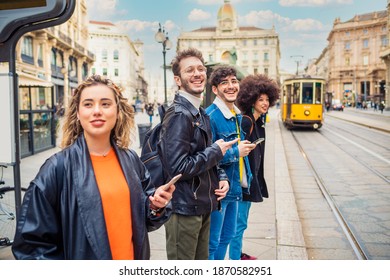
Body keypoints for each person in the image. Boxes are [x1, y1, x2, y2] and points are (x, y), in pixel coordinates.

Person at [12, 75, 176, 260]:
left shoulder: (130, 159)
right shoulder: (56, 168)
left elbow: (144, 218)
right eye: (88, 104)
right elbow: (31, 247)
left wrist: (155, 205)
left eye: (105, 104)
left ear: (118, 110)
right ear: (78, 112)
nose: (97, 111)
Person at [158, 48, 237, 260]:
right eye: (189, 70)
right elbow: (177, 168)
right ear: (178, 79)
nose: (197, 73)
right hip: (183, 209)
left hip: (201, 205)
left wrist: (221, 178)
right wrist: (215, 152)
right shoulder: (178, 114)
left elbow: (207, 153)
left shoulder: (199, 112)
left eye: (201, 69)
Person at [206, 66, 255, 260]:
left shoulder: (237, 114)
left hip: (235, 188)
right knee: (213, 242)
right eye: (224, 83)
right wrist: (236, 152)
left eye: (234, 81)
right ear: (215, 89)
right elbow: (207, 156)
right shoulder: (211, 116)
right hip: (219, 191)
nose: (231, 86)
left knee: (227, 237)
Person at [233, 74, 279, 260]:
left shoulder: (259, 121)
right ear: (250, 99)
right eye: (261, 99)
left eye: (267, 99)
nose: (265, 103)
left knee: (241, 222)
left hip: (251, 179)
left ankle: (238, 253)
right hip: (243, 181)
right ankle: (235, 259)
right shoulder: (246, 121)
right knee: (239, 223)